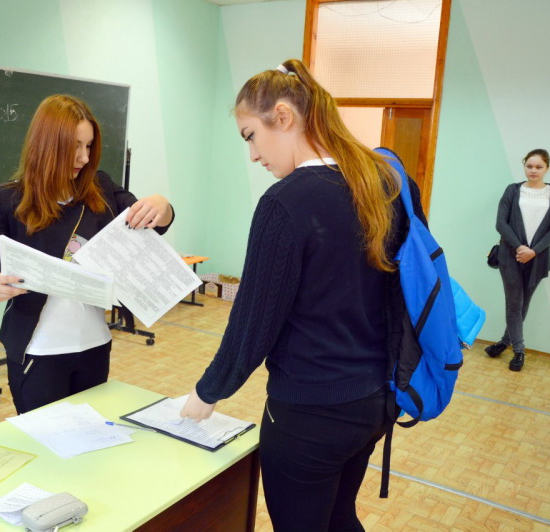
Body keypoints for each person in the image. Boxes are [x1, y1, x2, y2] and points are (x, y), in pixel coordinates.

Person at [179, 59, 426, 531]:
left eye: (251, 136)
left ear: (283, 116)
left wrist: (207, 392)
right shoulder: (385, 182)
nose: (253, 155)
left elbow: (254, 322)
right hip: (376, 401)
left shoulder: (285, 203)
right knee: (340, 518)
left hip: (310, 414)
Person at [0, 94, 174, 414]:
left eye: (89, 146)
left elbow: (152, 223)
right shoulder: (9, 199)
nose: (84, 157)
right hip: (38, 352)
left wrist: (163, 207)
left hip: (94, 346)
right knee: (43, 439)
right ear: (47, 145)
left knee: (90, 437)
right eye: (75, 146)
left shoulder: (101, 187)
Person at [485, 149, 550, 371]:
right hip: (510, 255)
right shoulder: (512, 190)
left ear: (547, 168)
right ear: (524, 166)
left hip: (537, 258)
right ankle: (519, 351)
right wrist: (520, 247)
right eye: (529, 166)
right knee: (514, 303)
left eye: (538, 167)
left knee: (523, 303)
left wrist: (533, 251)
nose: (533, 170)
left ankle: (504, 342)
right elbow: (501, 223)